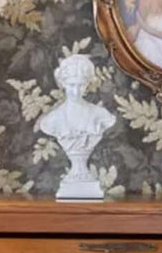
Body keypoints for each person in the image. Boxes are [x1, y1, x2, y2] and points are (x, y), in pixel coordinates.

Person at [38, 55, 116, 199]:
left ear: (87, 84)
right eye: (71, 85)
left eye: (81, 85)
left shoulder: (100, 115)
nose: (76, 91)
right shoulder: (53, 120)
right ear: (63, 84)